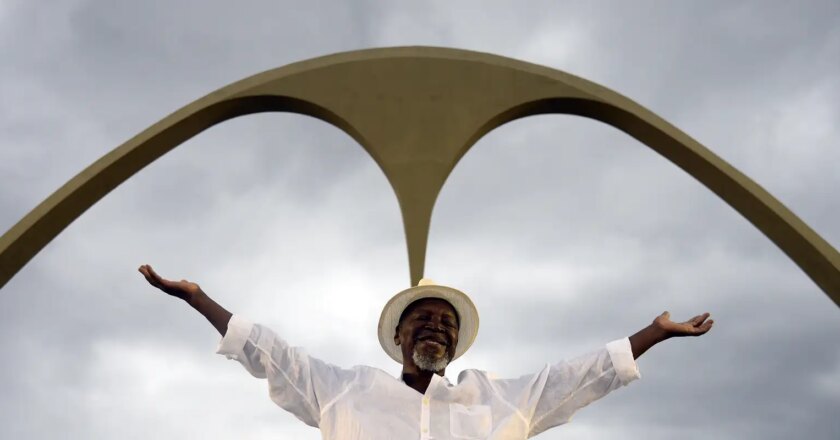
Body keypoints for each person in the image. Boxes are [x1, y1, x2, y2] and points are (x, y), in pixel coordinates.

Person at [138, 264, 713, 439]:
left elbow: (575, 379)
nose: (436, 328)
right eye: (424, 320)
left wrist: (652, 333)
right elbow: (270, 355)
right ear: (400, 338)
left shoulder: (494, 401)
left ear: (457, 342)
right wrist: (199, 299)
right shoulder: (347, 392)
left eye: (446, 323)